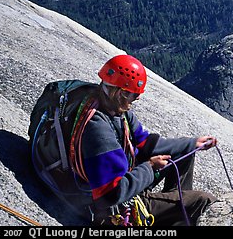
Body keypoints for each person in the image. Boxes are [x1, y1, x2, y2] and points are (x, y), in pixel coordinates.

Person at [70, 54, 217, 226]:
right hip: (120, 205)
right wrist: (150, 167)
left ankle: (177, 213)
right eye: (133, 94)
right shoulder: (98, 130)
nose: (137, 98)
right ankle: (178, 210)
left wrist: (192, 143)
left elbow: (145, 143)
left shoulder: (115, 110)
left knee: (184, 153)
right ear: (120, 93)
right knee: (203, 200)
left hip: (128, 177)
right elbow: (110, 195)